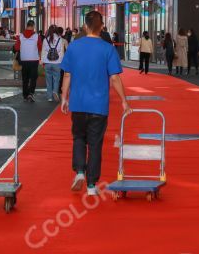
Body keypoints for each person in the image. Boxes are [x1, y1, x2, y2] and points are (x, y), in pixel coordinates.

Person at [60, 10, 130, 196]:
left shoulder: (74, 46)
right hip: (99, 105)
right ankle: (91, 185)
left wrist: (64, 97)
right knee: (95, 143)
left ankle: (80, 172)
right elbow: (114, 78)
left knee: (79, 138)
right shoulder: (108, 49)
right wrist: (124, 101)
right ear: (101, 27)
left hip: (78, 103)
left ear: (85, 26)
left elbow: (67, 74)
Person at [14, 20, 43, 102]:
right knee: (33, 78)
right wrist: (40, 58)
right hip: (34, 59)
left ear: (26, 26)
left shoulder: (20, 36)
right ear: (33, 26)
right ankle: (31, 93)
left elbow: (16, 48)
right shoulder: (37, 36)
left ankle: (25, 95)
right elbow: (40, 48)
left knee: (25, 78)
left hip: (24, 59)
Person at [42, 25, 65, 102]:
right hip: (57, 63)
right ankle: (55, 91)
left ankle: (49, 97)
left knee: (48, 80)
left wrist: (42, 61)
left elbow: (43, 52)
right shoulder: (60, 39)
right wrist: (62, 62)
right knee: (56, 79)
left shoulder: (45, 39)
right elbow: (61, 52)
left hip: (47, 63)